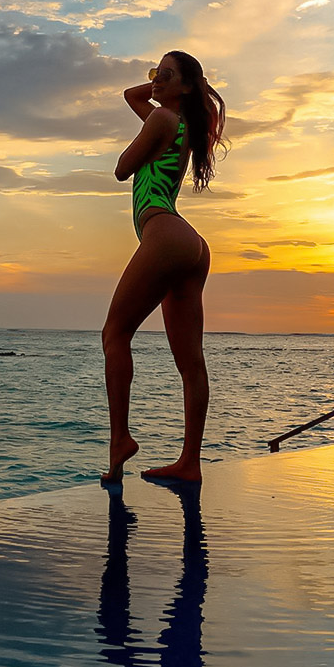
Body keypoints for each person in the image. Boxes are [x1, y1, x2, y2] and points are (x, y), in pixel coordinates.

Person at [101, 50, 227, 486]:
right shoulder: (182, 125)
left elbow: (121, 170)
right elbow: (131, 94)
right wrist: (166, 82)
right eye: (155, 72)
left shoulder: (161, 121)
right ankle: (189, 462)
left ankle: (121, 440)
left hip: (164, 231)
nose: (154, 81)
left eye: (165, 74)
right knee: (191, 363)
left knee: (114, 335)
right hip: (192, 246)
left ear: (185, 86)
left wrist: (172, 90)